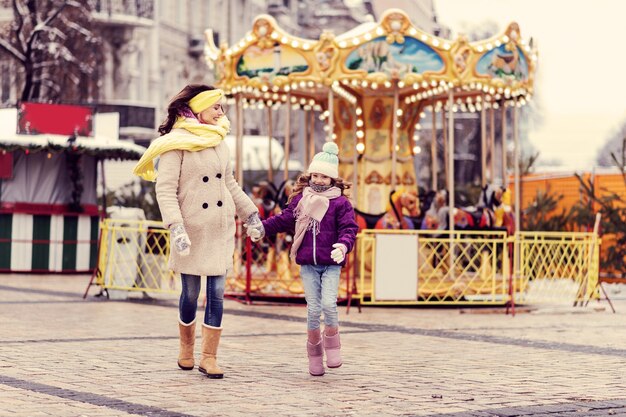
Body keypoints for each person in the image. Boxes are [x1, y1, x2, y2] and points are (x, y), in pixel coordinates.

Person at [133, 85, 263, 379]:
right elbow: (165, 190)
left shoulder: (220, 142)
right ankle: (186, 349)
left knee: (216, 293)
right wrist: (175, 226)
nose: (222, 112)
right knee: (190, 293)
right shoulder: (175, 143)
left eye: (222, 107)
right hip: (190, 231)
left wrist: (250, 214)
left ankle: (209, 356)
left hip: (219, 227)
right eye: (216, 107)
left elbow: (229, 184)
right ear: (200, 108)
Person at [246, 142, 359, 376]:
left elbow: (349, 228)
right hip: (308, 262)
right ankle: (315, 356)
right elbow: (284, 219)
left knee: (329, 305)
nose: (319, 180)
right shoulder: (301, 200)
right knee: (312, 309)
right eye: (315, 175)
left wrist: (344, 245)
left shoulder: (340, 203)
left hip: (331, 263)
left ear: (333, 179)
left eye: (324, 176)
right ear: (310, 175)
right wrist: (263, 228)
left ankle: (333, 347)